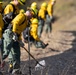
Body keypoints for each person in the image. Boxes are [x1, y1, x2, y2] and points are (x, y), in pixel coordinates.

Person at [2, 9, 33, 75]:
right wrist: (14, 33)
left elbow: (19, 31)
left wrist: (20, 40)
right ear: (29, 13)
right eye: (32, 15)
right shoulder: (22, 16)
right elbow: (15, 23)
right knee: (6, 51)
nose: (32, 17)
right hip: (10, 33)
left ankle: (16, 70)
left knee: (17, 53)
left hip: (15, 36)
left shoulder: (26, 21)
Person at [2, 0, 26, 74]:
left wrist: (19, 38)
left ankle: (14, 69)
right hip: (8, 32)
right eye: (19, 2)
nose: (19, 4)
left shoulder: (17, 8)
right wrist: (11, 32)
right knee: (6, 51)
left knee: (15, 52)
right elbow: (6, 21)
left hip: (14, 33)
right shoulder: (9, 7)